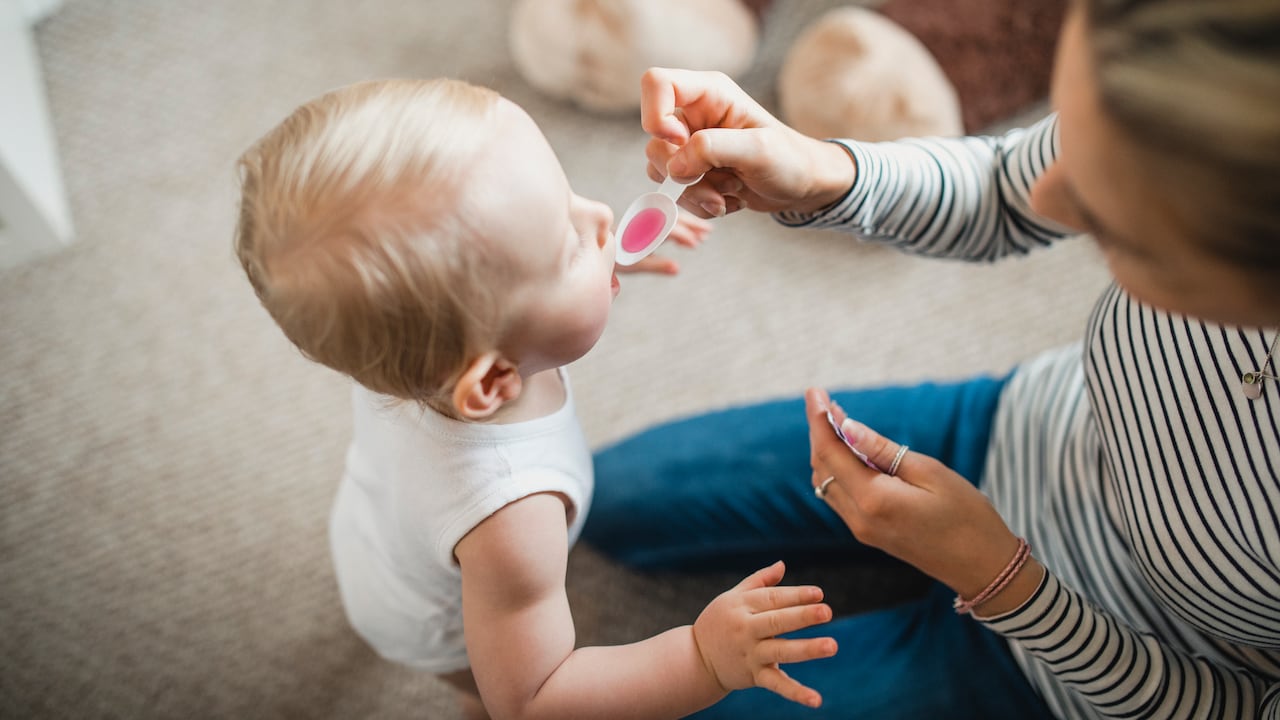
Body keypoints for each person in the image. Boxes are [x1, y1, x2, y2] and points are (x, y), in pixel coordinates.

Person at [583, 1, 1280, 718]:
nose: (1049, 197)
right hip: (1024, 432)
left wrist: (1007, 586)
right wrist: (824, 170)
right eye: (1071, 138)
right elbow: (1006, 186)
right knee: (609, 499)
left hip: (1083, 674)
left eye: (1105, 220)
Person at [231, 77, 839, 720]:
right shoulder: (511, 520)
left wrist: (586, 265)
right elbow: (533, 698)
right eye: (567, 244)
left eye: (567, 198)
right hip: (432, 623)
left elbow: (488, 295)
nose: (600, 215)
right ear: (492, 382)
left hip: (375, 536)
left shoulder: (409, 355)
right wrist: (702, 659)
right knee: (484, 692)